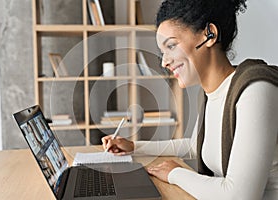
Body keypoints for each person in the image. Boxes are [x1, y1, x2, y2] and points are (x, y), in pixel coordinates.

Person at [102, 0, 278, 199]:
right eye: (163, 52)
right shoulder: (210, 93)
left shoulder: (255, 89)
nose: (164, 61)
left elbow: (239, 195)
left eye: (171, 46)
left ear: (209, 34)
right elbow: (196, 145)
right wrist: (134, 146)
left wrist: (175, 173)